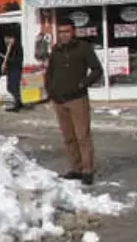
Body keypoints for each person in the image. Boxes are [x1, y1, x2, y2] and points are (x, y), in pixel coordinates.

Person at [44, 20, 104, 185]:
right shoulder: (56, 50)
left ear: (74, 32)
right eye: (61, 31)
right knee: (68, 137)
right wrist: (50, 89)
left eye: (67, 31)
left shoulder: (83, 48)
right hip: (59, 100)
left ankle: (87, 170)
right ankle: (75, 168)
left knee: (82, 136)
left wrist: (82, 84)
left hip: (77, 99)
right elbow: (50, 72)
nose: (64, 34)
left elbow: (97, 70)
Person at [1, 32, 25, 112]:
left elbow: (16, 60)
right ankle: (19, 103)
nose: (5, 42)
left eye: (6, 39)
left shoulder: (16, 46)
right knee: (14, 87)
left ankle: (17, 105)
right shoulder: (10, 47)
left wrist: (6, 59)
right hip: (11, 69)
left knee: (12, 87)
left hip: (15, 69)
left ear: (11, 38)